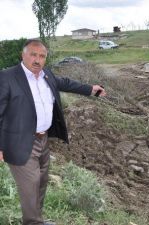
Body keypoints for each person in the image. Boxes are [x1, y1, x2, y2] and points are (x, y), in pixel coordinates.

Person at [0, 39, 106, 225]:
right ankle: (33, 222)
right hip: (18, 141)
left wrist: (90, 89)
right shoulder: (7, 77)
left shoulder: (46, 75)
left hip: (43, 139)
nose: (37, 60)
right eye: (33, 54)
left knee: (41, 182)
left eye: (42, 56)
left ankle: (36, 219)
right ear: (23, 55)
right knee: (30, 185)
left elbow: (65, 83)